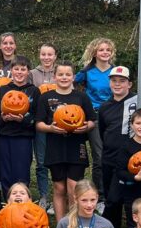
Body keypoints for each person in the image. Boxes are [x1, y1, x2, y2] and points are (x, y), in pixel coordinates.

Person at [97, 66, 141, 228]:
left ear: (129, 84)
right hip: (110, 158)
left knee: (133, 201)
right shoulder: (105, 106)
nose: (118, 84)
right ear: (110, 83)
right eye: (114, 81)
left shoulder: (139, 100)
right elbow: (102, 131)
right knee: (112, 200)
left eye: (122, 81)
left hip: (134, 160)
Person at [35, 61, 96, 218]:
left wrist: (86, 127)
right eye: (60, 74)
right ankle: (62, 225)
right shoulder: (45, 97)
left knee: (73, 187)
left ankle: (74, 224)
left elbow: (92, 120)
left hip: (76, 146)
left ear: (73, 77)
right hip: (55, 146)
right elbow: (39, 124)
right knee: (59, 187)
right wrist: (50, 128)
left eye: (67, 74)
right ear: (54, 77)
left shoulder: (81, 97)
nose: (64, 77)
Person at [75, 38, 116, 198]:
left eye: (108, 50)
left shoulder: (115, 71)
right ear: (94, 53)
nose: (105, 52)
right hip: (95, 116)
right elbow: (71, 84)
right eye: (101, 50)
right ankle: (99, 192)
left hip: (112, 115)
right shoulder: (87, 72)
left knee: (111, 153)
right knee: (99, 156)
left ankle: (111, 190)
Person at [0, 56, 39, 196]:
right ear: (11, 71)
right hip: (4, 136)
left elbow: (36, 116)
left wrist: (22, 120)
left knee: (21, 171)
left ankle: (22, 200)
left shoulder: (34, 91)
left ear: (28, 72)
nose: (19, 72)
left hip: (23, 137)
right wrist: (4, 118)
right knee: (5, 171)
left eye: (23, 69)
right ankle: (8, 202)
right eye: (16, 69)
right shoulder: (3, 89)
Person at [31, 43, 58, 213]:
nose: (47, 57)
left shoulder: (59, 73)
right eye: (44, 54)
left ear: (55, 56)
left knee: (56, 161)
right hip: (40, 122)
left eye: (50, 54)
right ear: (39, 55)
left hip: (59, 122)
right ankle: (43, 196)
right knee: (41, 162)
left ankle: (58, 195)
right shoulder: (32, 74)